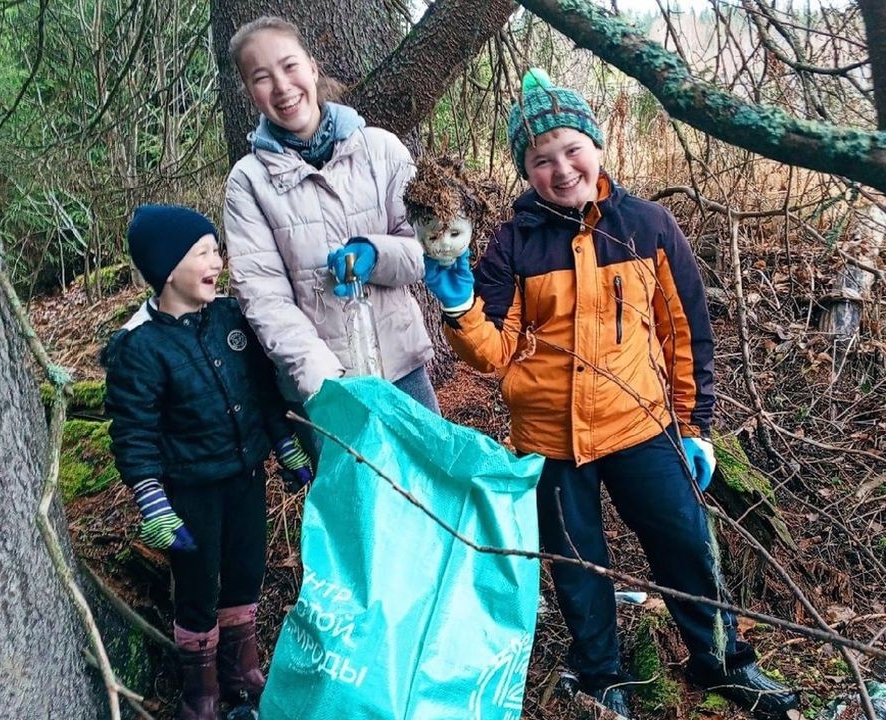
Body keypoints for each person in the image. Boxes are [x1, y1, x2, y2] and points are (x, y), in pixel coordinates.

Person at [422, 69, 799, 719]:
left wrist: (695, 424)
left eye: (571, 149)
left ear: (596, 146)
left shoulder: (647, 225)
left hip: (643, 425)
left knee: (685, 540)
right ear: (526, 170)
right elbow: (493, 352)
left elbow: (687, 334)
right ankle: (602, 676)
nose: (560, 168)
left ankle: (721, 662)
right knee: (577, 566)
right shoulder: (513, 243)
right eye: (541, 160)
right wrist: (460, 309)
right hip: (549, 440)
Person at [103, 204, 314, 720]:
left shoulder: (229, 318)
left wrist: (284, 446)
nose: (216, 260)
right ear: (167, 267)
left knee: (246, 571)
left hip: (244, 478)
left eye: (215, 248)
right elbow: (133, 434)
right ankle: (200, 695)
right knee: (197, 586)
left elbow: (263, 393)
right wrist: (154, 506)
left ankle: (242, 672)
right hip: (188, 494)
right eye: (203, 252)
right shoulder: (140, 346)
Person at [222, 15, 439, 449]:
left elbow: (427, 249)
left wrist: (376, 255)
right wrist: (325, 383)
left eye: (289, 66)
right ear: (250, 92)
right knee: (357, 513)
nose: (282, 87)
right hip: (324, 390)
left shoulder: (380, 149)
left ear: (312, 67)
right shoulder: (248, 181)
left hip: (402, 369)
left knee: (433, 500)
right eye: (262, 77)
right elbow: (264, 297)